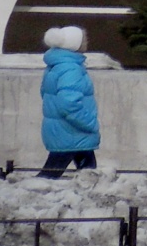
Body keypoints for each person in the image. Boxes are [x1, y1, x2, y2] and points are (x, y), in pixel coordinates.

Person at [37, 26, 100, 177]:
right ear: (74, 44)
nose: (87, 41)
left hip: (68, 131)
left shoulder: (57, 65)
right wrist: (90, 122)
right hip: (72, 130)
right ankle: (25, 195)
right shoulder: (71, 68)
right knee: (49, 175)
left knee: (89, 175)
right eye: (84, 38)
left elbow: (45, 93)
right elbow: (68, 103)